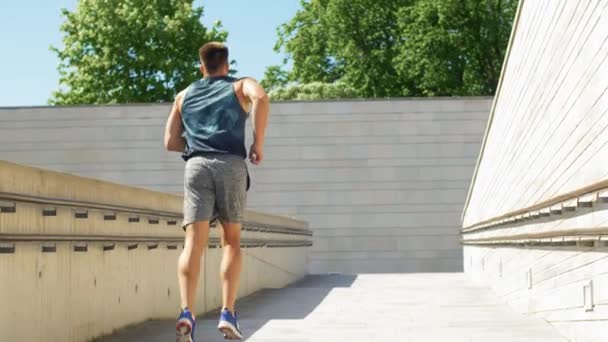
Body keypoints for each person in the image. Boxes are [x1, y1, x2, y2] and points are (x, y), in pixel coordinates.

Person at [164, 42, 269, 341]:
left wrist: (199, 143)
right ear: (227, 64)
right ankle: (227, 312)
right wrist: (257, 143)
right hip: (230, 165)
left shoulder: (183, 95)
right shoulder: (240, 86)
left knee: (192, 243)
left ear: (202, 67)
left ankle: (186, 312)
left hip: (196, 166)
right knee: (231, 241)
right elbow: (260, 97)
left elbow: (170, 142)